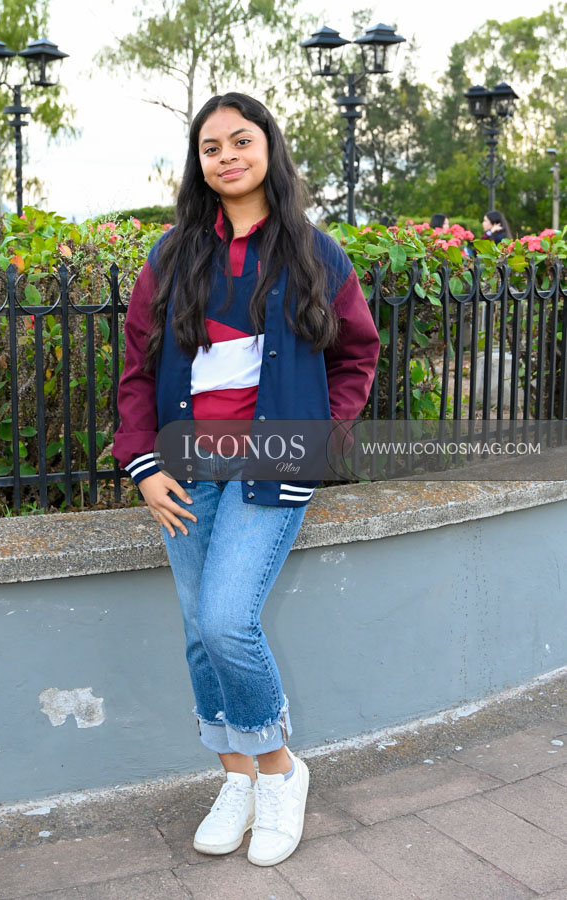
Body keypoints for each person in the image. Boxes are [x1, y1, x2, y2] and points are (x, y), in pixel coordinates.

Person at [111, 92, 380, 867]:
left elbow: (355, 355)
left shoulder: (314, 254)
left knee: (228, 620)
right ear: (197, 164)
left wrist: (321, 437)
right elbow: (137, 369)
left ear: (268, 148)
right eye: (210, 147)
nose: (226, 156)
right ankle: (235, 776)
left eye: (240, 141)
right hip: (185, 469)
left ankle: (280, 772)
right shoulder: (171, 257)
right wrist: (143, 465)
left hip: (271, 464)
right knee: (200, 634)